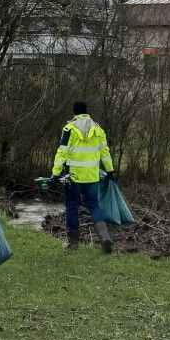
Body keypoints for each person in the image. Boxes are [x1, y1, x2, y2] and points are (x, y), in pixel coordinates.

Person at [51, 100, 114, 254]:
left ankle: (73, 244)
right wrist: (110, 170)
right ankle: (104, 237)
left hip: (74, 178)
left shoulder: (69, 129)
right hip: (92, 177)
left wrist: (55, 173)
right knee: (94, 206)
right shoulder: (98, 129)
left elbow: (62, 152)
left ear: (74, 112)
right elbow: (104, 151)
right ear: (86, 111)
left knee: (72, 207)